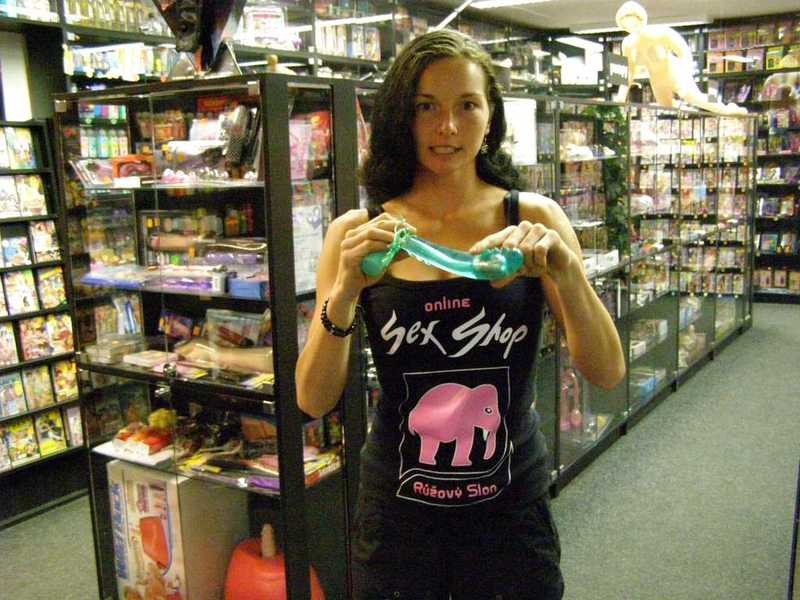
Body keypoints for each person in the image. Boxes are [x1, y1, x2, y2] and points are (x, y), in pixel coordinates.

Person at [295, 29, 625, 599]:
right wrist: (345, 289)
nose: (447, 127)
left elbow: (607, 371)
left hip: (509, 512)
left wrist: (567, 272)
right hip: (398, 515)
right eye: (426, 107)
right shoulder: (357, 233)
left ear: (490, 117)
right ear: (401, 117)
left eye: (467, 105)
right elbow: (313, 397)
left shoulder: (534, 219)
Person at [613, 0, 746, 115]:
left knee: (695, 97)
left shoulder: (661, 32)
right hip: (657, 79)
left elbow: (683, 51)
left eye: (633, 22)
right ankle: (683, 107)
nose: (631, 27)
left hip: (674, 72)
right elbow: (628, 71)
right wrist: (620, 96)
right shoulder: (627, 44)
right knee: (667, 107)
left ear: (640, 19)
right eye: (626, 24)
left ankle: (726, 108)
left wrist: (686, 72)